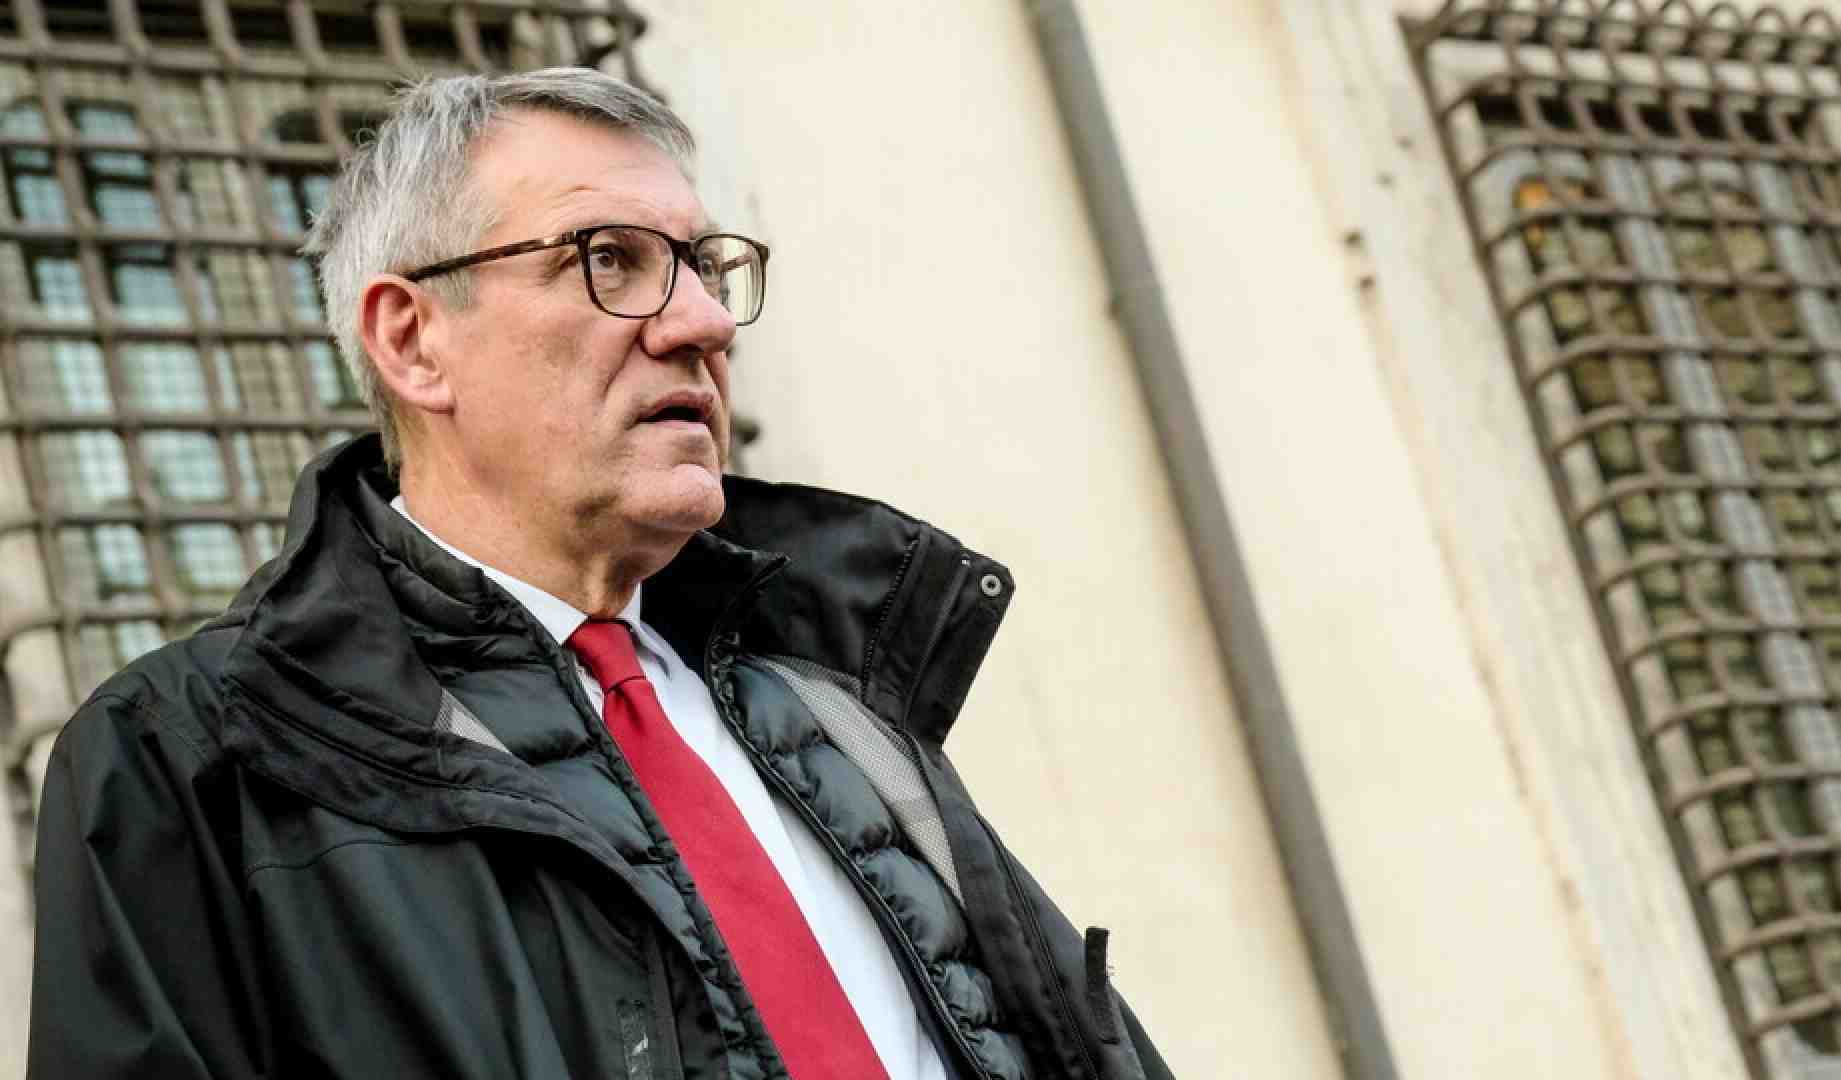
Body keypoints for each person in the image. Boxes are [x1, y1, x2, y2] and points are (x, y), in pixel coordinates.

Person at [27, 68, 1173, 1080]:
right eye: (609, 259)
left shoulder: (838, 700)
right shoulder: (191, 764)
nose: (704, 322)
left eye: (704, 266)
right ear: (413, 341)